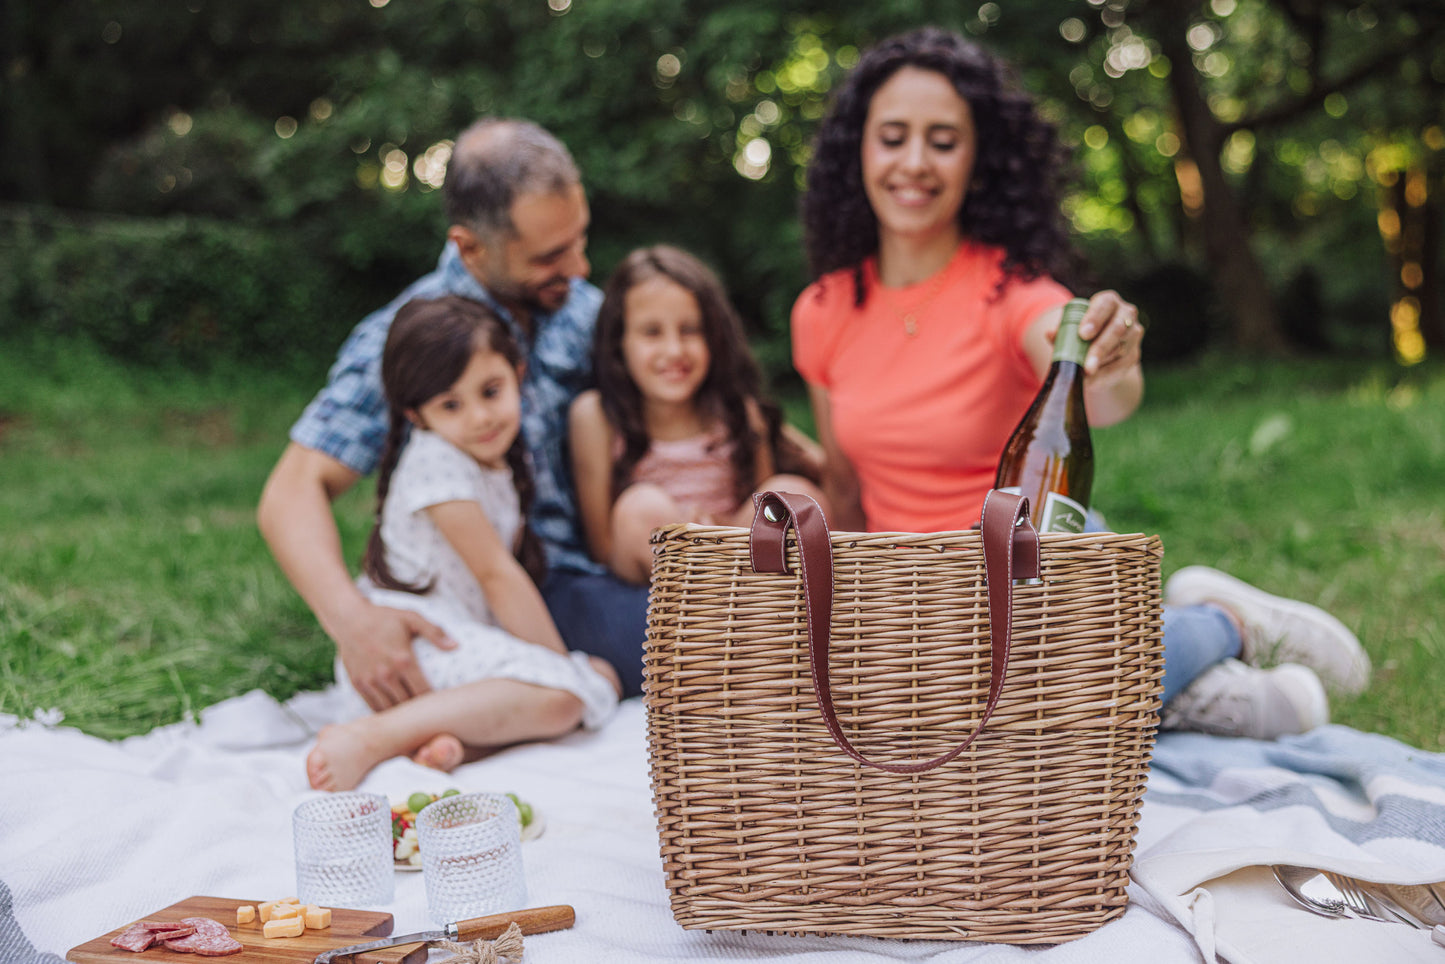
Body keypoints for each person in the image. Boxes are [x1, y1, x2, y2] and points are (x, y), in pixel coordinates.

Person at [791, 26, 1370, 739]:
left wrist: (1110, 356)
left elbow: (1097, 393)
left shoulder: (1014, 295)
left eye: (942, 141)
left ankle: (1223, 626)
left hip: (1031, 572)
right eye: (892, 136)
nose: (914, 162)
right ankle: (1173, 685)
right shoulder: (820, 312)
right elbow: (847, 495)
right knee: (934, 718)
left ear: (978, 160)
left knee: (1012, 703)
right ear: (858, 150)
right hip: (916, 602)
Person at [258, 117, 650, 702]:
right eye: (550, 256)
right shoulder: (407, 339)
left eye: (580, 240)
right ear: (469, 246)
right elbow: (292, 491)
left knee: (751, 613)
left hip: (613, 554)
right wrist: (353, 621)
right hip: (519, 593)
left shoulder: (581, 310)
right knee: (710, 640)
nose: (580, 267)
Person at [306, 295, 620, 791]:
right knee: (565, 696)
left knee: (600, 675)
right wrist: (560, 672)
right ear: (417, 414)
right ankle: (372, 736)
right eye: (451, 405)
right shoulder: (436, 461)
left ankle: (455, 743)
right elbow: (497, 575)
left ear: (518, 373)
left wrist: (568, 673)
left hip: (458, 643)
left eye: (490, 391)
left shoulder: (494, 458)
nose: (479, 417)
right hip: (417, 649)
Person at [568, 245, 826, 583]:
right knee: (642, 506)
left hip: (733, 558)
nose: (674, 350)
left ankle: (729, 605)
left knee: (791, 493)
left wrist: (714, 539)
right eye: (652, 332)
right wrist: (685, 538)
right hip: (650, 568)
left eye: (690, 330)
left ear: (714, 338)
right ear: (619, 342)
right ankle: (701, 604)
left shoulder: (737, 411)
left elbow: (758, 510)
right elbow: (602, 546)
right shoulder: (597, 416)